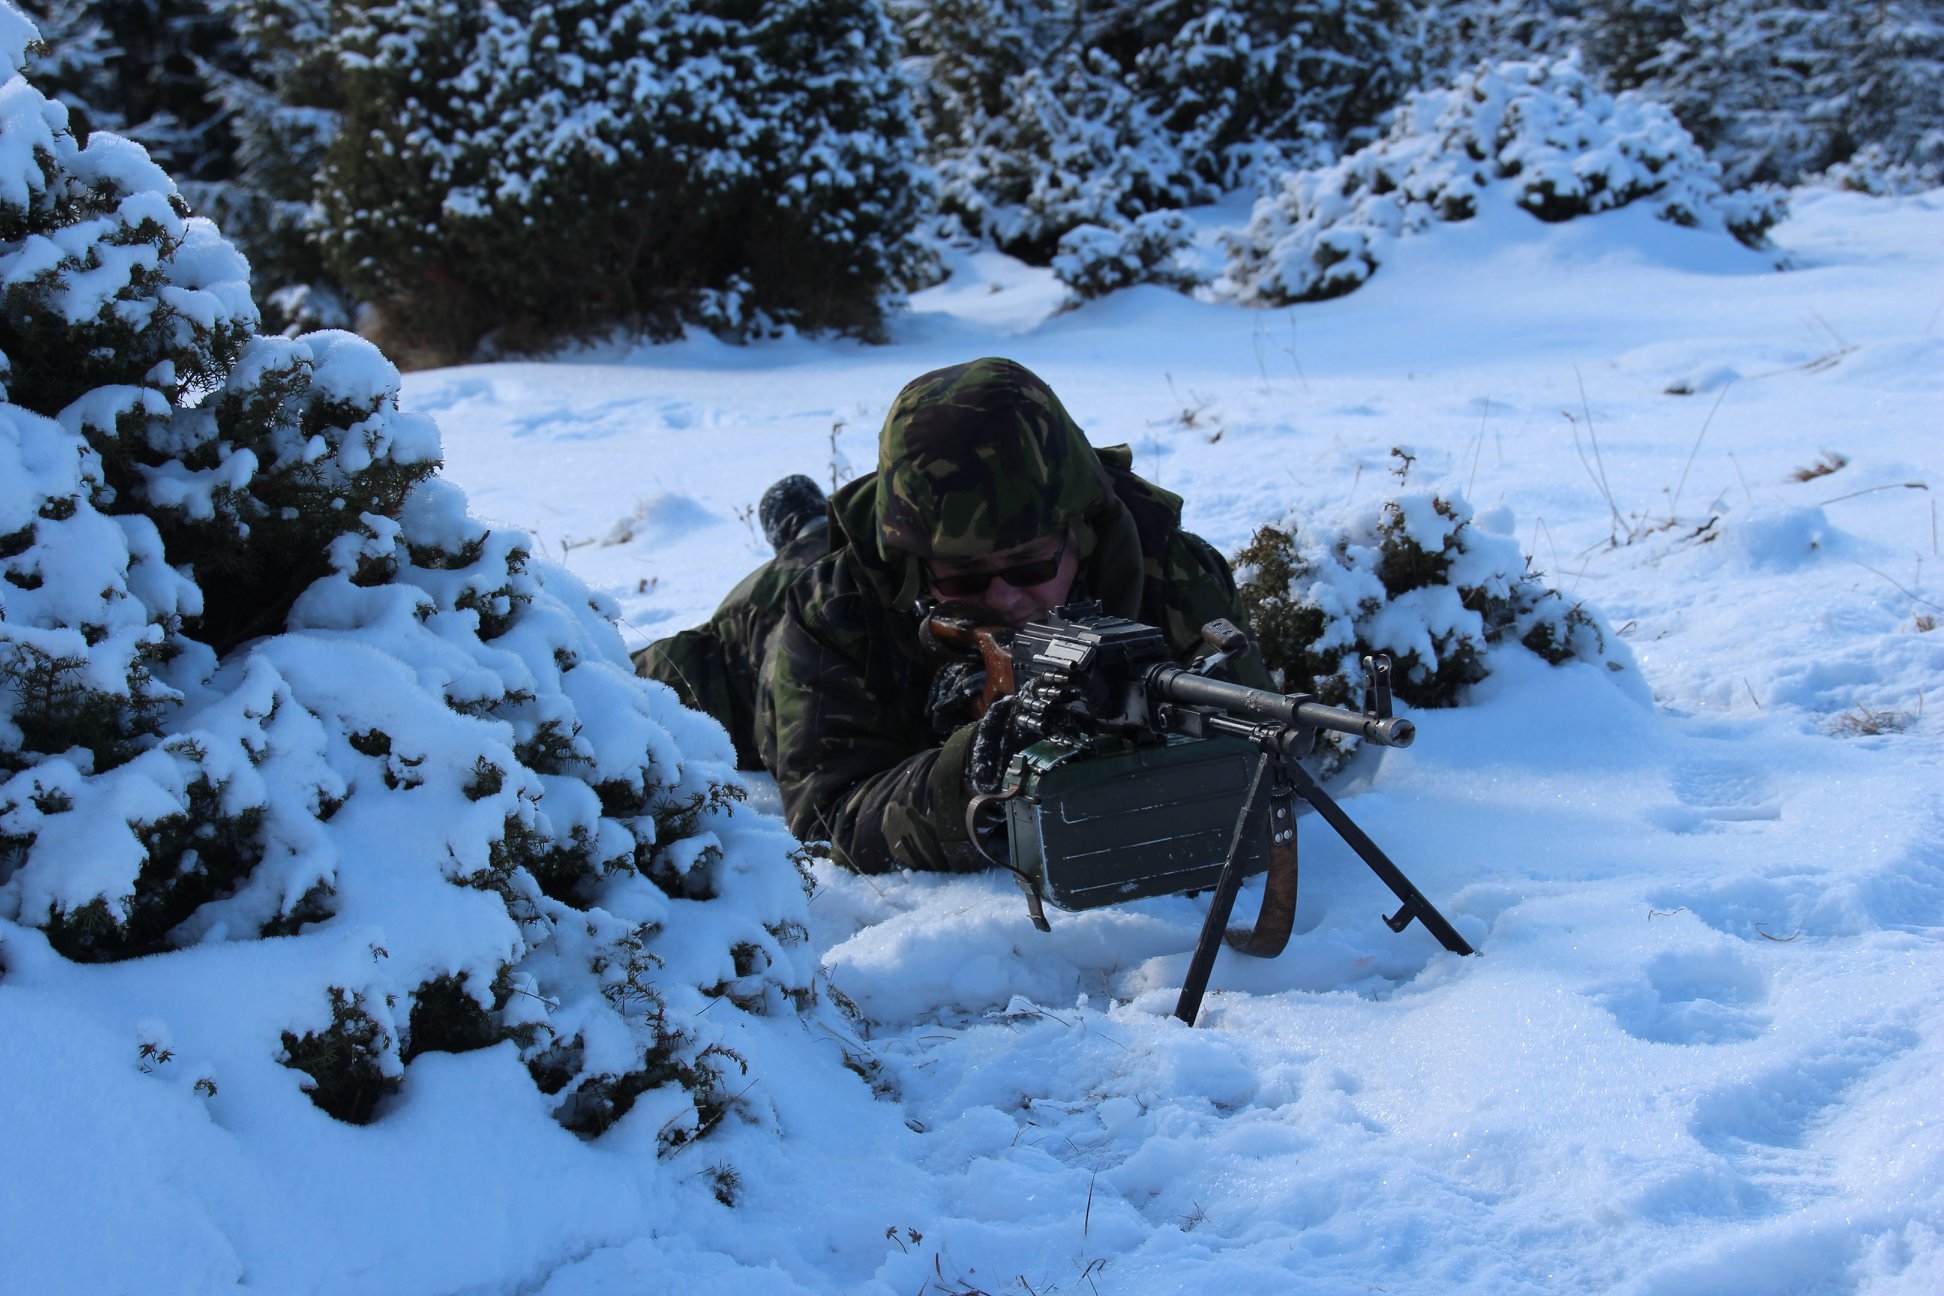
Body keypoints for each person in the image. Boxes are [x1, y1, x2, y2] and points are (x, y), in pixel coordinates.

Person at [756, 356, 1269, 875]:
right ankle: (800, 527)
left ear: (1083, 534)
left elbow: (1258, 751)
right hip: (756, 637)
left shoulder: (1173, 570)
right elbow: (826, 824)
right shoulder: (836, 609)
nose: (1002, 599)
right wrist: (969, 773)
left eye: (1028, 565)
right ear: (915, 568)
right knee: (706, 651)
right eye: (964, 575)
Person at [634, 474, 829, 769]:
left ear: (779, 535)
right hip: (716, 703)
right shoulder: (872, 548)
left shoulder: (768, 582)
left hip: (708, 698)